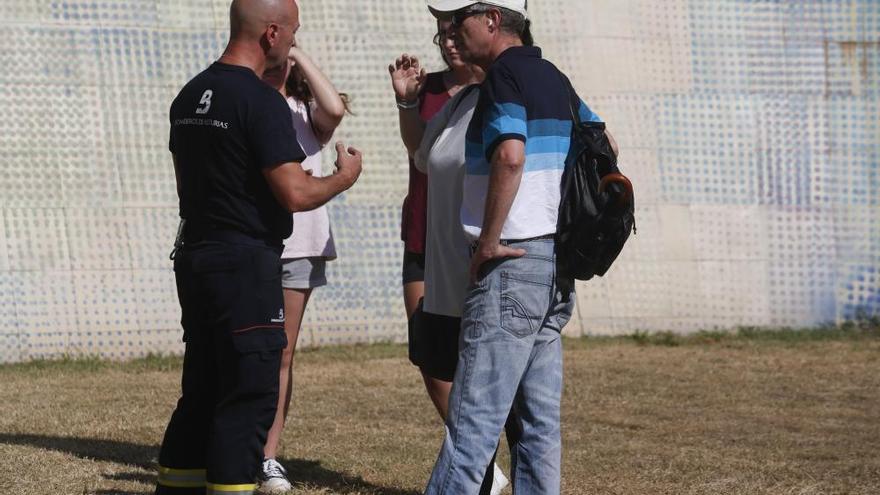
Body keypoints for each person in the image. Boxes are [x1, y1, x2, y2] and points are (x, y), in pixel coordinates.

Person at [155, 0, 362, 493]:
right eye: (293, 33)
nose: (293, 43)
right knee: (247, 392)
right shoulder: (260, 101)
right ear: (271, 34)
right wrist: (342, 178)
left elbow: (188, 185)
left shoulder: (190, 94)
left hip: (196, 255)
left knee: (201, 387)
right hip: (245, 263)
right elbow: (295, 193)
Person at [422, 1, 617, 494]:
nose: (451, 31)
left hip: (509, 264)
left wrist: (488, 240)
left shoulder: (501, 78)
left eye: (458, 20)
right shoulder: (553, 76)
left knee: (472, 428)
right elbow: (606, 143)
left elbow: (509, 156)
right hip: (553, 266)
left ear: (490, 19)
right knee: (537, 427)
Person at [389, 17, 511, 495]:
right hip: (424, 234)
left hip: (478, 245)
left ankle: (477, 457)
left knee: (482, 358)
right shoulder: (435, 89)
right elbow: (418, 148)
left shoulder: (504, 87)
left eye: (456, 34)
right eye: (442, 36)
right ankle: (477, 457)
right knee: (432, 352)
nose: (450, 44)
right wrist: (407, 100)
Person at [257, 43, 350, 493]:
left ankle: (267, 456)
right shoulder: (247, 100)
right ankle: (232, 443)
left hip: (299, 245)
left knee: (282, 353)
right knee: (240, 350)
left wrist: (297, 52)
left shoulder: (303, 110)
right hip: (251, 242)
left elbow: (334, 109)